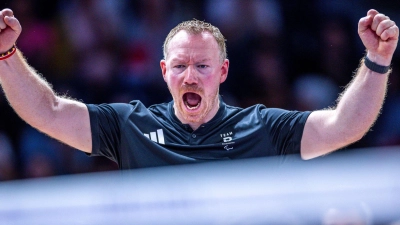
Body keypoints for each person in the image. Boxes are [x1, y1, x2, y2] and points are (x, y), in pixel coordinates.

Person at [0, 8, 398, 169]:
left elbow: (344, 126)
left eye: (202, 66)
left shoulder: (262, 126)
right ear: (163, 72)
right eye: (180, 66)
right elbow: (47, 111)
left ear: (223, 72)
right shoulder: (129, 125)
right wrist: (6, 55)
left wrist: (377, 61)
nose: (191, 76)